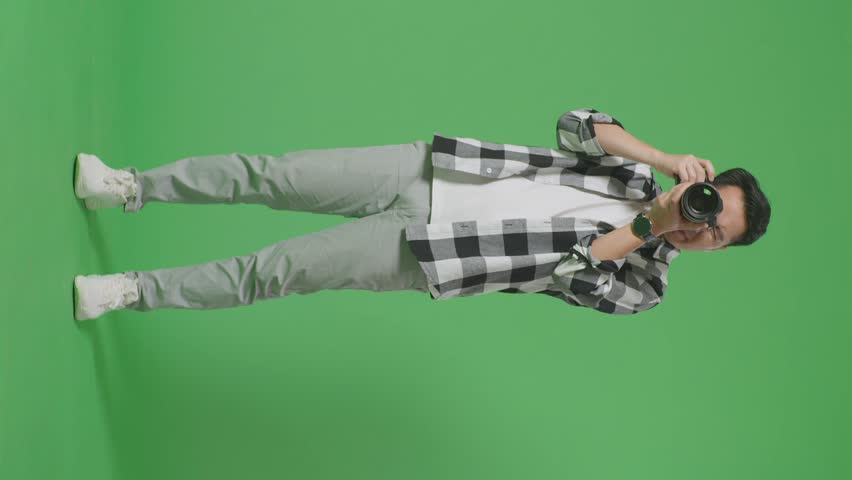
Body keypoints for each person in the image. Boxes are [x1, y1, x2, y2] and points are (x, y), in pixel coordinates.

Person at [72, 108, 771, 321]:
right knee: (271, 174)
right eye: (713, 210)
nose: (702, 226)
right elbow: (577, 123)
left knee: (276, 271)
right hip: (430, 169)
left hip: (432, 252)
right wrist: (665, 160)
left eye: (716, 234)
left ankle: (131, 291)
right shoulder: (638, 170)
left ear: (717, 250)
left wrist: (652, 224)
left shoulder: (647, 284)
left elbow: (573, 272)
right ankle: (128, 187)